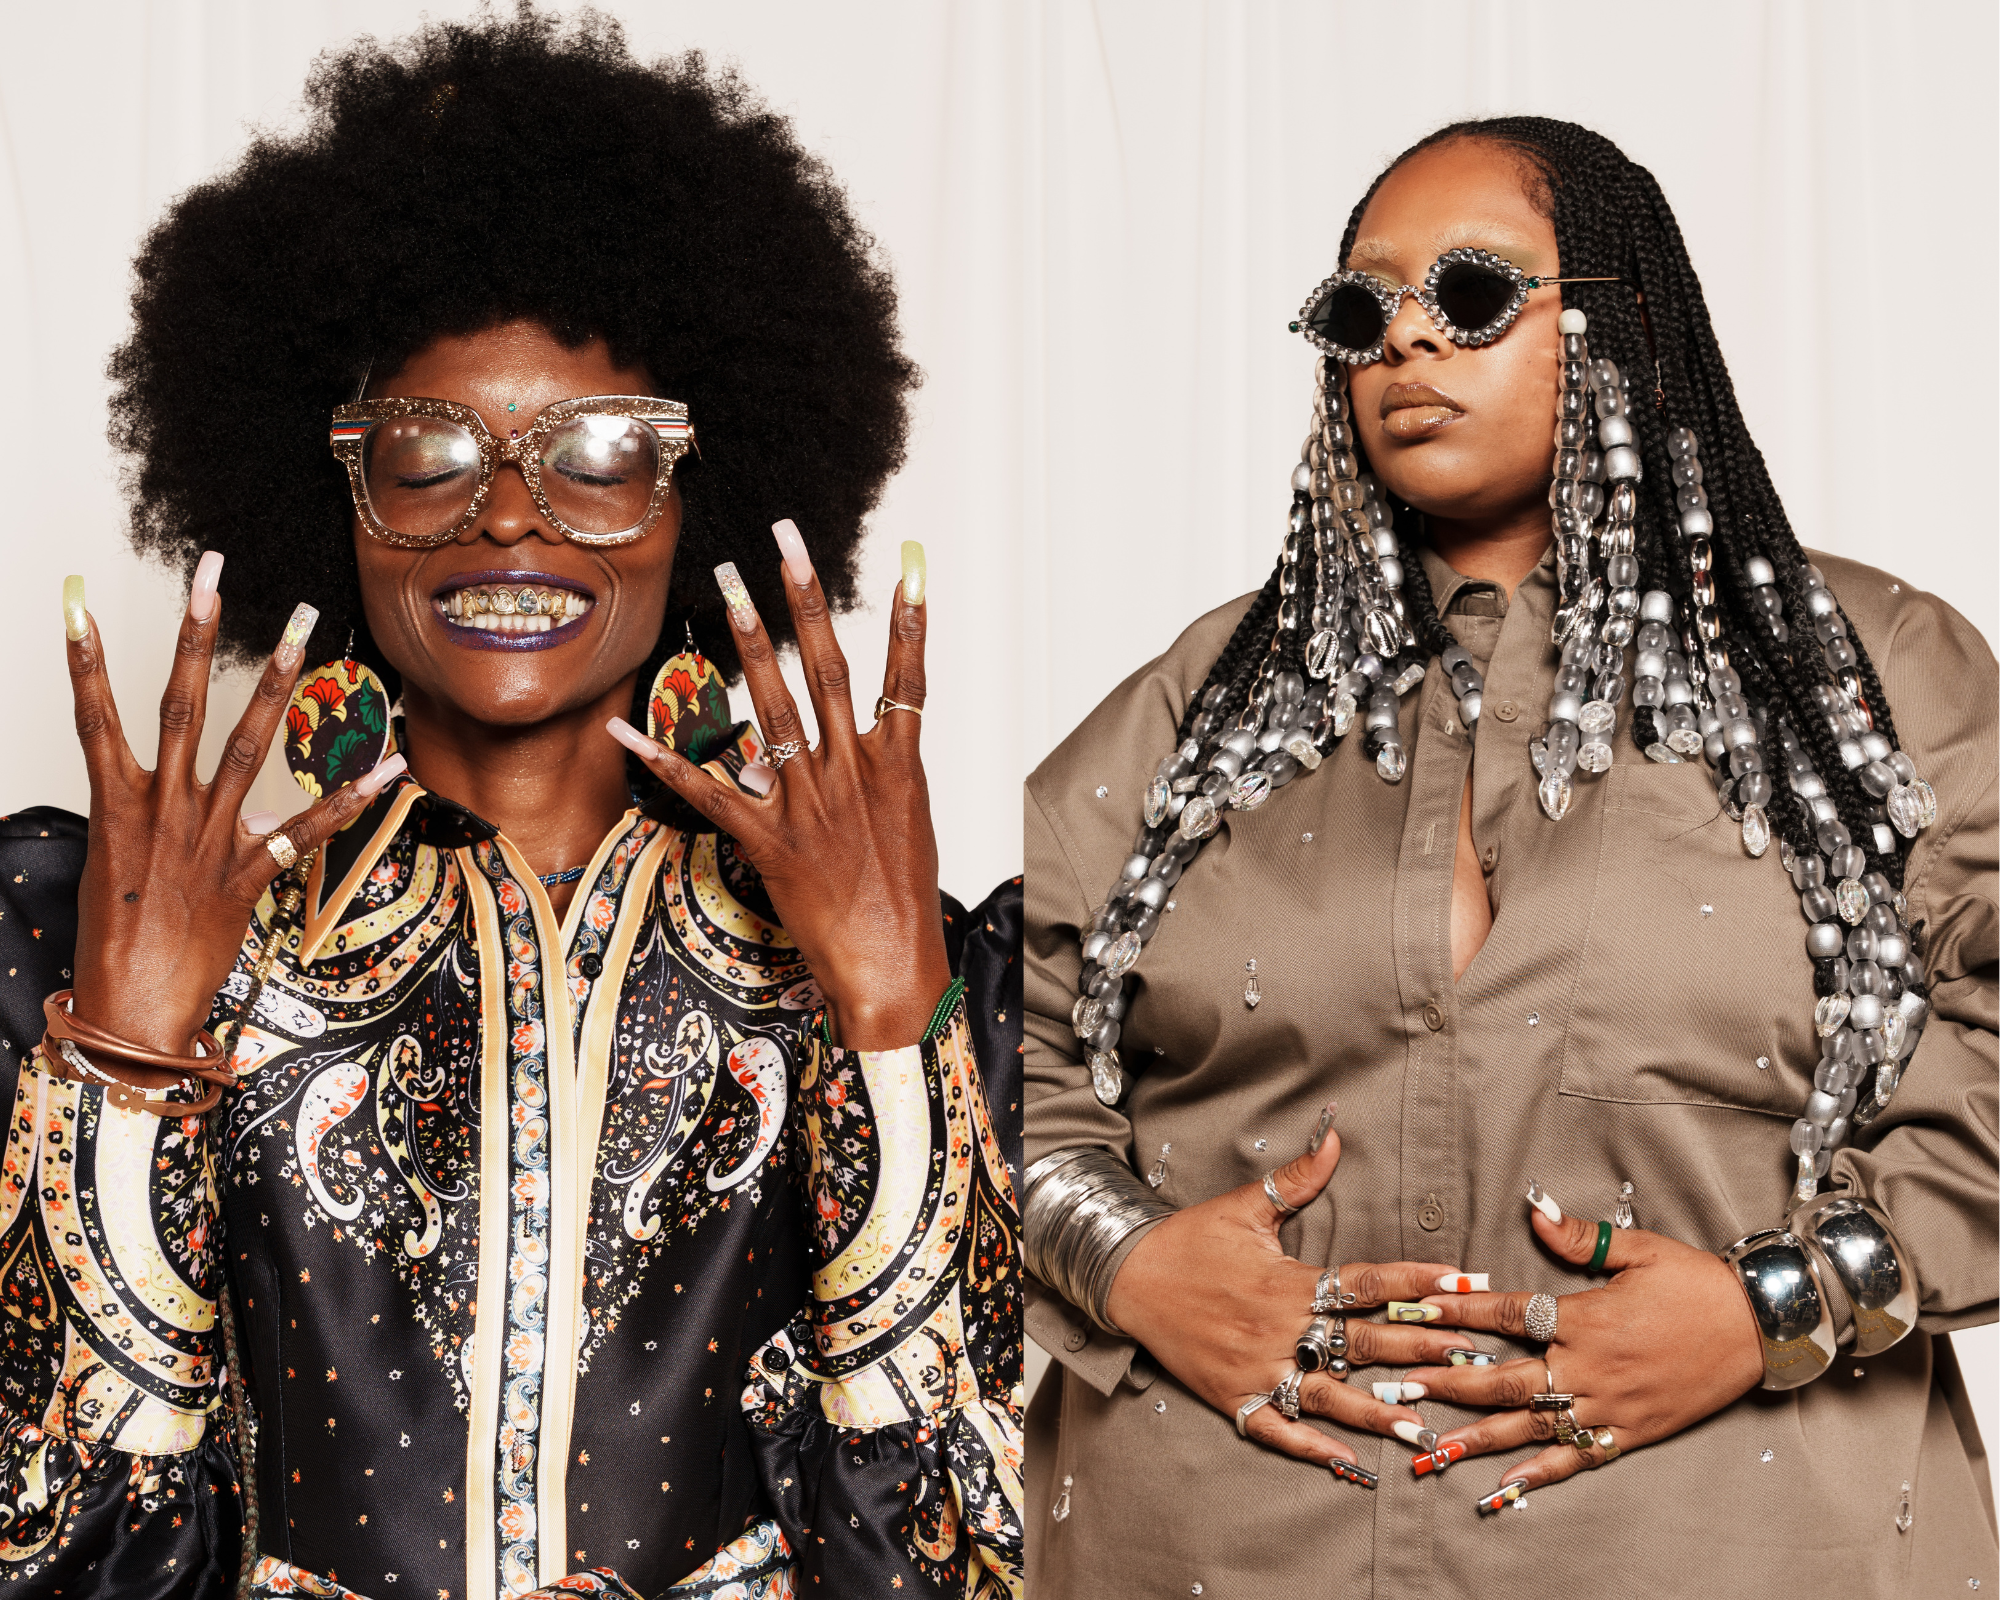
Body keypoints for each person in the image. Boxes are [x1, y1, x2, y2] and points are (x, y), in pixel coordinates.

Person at [0, 12, 1022, 1599]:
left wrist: (892, 1021)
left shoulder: (902, 963)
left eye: (601, 450)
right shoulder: (84, 937)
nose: (505, 514)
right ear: (332, 496)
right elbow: (76, 1549)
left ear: (702, 494)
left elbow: (949, 1543)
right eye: (427, 450)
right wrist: (132, 1068)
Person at [1021, 117, 1995, 1597]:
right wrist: (1132, 1264)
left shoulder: (1870, 679)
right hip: (1229, 1543)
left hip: (1742, 1548)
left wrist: (1770, 1305)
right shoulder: (1196, 711)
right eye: (1359, 312)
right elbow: (962, 1073)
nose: (1404, 344)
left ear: (1622, 324)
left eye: (1470, 296)